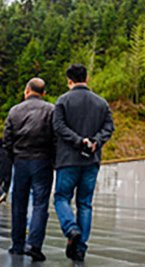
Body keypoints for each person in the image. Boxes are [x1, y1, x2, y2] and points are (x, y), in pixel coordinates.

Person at [52, 64, 114, 262]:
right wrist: (95, 141)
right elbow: (109, 127)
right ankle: (81, 248)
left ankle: (70, 228)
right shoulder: (101, 103)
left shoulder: (62, 101)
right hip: (91, 161)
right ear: (86, 79)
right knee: (85, 203)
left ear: (69, 80)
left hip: (68, 160)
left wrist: (79, 141)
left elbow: (58, 127)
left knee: (61, 197)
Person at [3, 77, 55, 262]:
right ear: (44, 93)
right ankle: (34, 245)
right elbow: (56, 137)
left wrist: (14, 157)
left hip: (21, 161)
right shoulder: (51, 110)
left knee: (19, 204)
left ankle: (17, 245)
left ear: (26, 91)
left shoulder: (15, 110)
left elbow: (7, 139)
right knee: (40, 204)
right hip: (42, 161)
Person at [0, 137, 12, 204]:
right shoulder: (9, 152)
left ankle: (1, 194)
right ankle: (4, 197)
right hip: (9, 170)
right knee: (7, 184)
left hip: (1, 170)